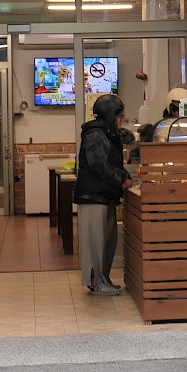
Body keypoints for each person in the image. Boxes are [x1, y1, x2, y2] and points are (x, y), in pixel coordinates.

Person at [74, 94, 133, 296]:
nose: (121, 120)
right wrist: (121, 180)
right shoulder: (96, 134)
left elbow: (114, 158)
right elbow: (99, 166)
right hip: (93, 196)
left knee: (106, 242)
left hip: (104, 195)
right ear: (109, 115)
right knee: (96, 242)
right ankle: (97, 281)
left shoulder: (106, 132)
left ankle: (103, 279)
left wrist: (123, 176)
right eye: (119, 116)